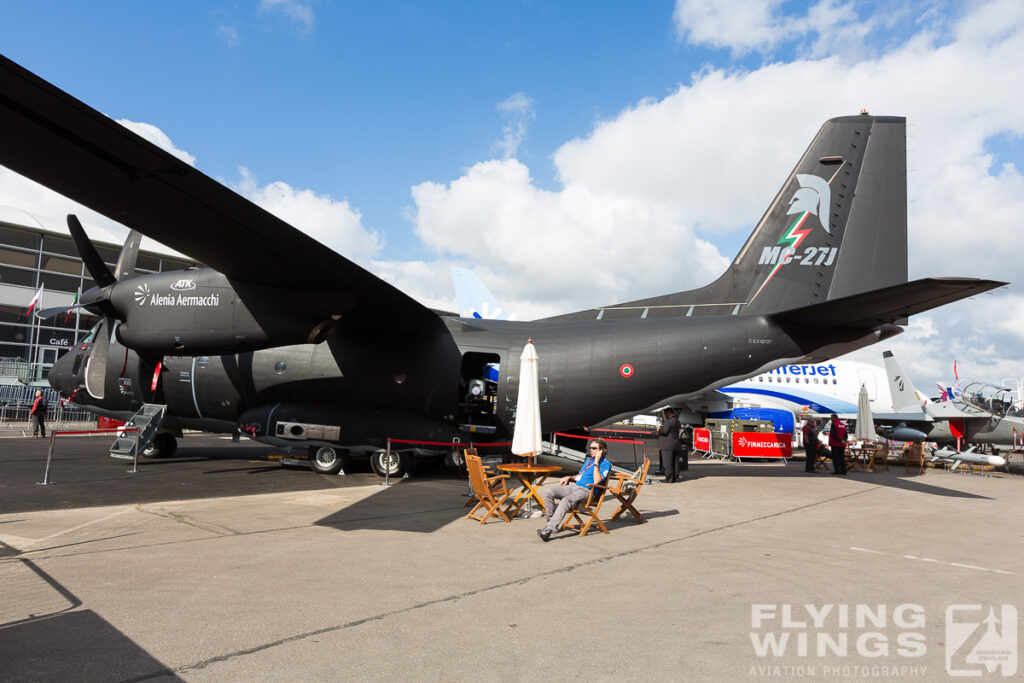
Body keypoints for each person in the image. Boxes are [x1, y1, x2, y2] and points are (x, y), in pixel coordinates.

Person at [537, 438, 612, 542]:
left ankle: (549, 529)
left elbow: (596, 480)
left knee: (566, 500)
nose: (591, 450)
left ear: (602, 450)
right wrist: (570, 477)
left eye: (594, 448)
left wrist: (596, 462)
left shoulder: (605, 464)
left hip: (587, 491)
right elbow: (581, 476)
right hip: (574, 487)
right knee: (549, 492)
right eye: (590, 448)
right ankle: (550, 524)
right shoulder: (588, 460)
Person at [657, 408, 682, 483]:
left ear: (668, 413)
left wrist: (659, 430)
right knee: (675, 463)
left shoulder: (668, 421)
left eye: (665, 413)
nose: (665, 415)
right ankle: (675, 478)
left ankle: (669, 479)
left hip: (667, 445)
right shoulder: (677, 421)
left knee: (667, 463)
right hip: (675, 444)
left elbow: (664, 431)